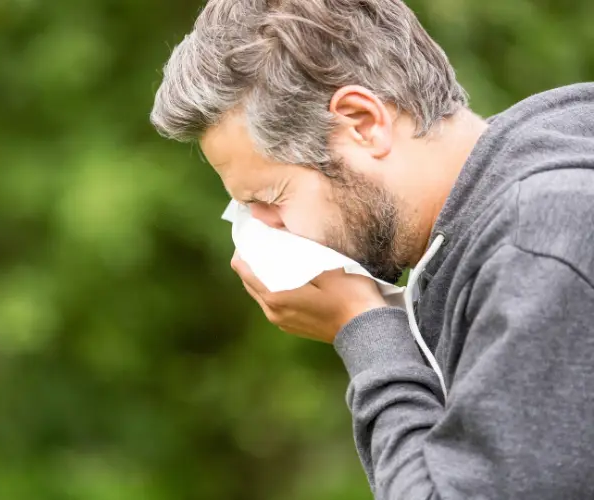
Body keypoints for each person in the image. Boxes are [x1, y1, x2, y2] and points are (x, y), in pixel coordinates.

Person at [149, 0, 594, 498]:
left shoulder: (538, 243)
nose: (263, 231)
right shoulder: (499, 219)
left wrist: (364, 328)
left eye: (269, 198)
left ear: (362, 122)